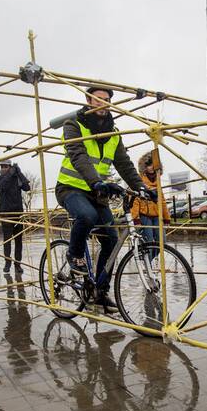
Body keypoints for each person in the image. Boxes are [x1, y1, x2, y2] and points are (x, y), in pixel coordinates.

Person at [55, 85, 152, 313]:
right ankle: (74, 254)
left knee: (111, 240)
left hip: (98, 193)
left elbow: (124, 164)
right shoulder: (73, 125)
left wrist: (141, 187)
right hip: (71, 189)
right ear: (88, 101)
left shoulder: (113, 133)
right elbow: (78, 156)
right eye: (97, 99)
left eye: (106, 99)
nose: (102, 103)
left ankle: (100, 291)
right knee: (86, 216)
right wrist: (96, 181)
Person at [0, 161, 30, 272]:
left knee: (18, 241)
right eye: (2, 167)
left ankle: (17, 264)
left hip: (18, 213)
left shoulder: (16, 178)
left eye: (6, 167)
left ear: (10, 167)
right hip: (6, 213)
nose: (3, 168)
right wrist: (10, 173)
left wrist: (19, 173)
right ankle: (7, 262)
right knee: (7, 240)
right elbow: (2, 187)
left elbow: (26, 187)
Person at [130, 152, 171, 250]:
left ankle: (150, 262)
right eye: (148, 165)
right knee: (148, 242)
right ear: (144, 167)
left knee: (162, 243)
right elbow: (135, 200)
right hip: (145, 216)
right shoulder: (139, 180)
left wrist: (166, 218)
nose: (151, 167)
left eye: (153, 164)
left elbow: (162, 200)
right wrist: (135, 218)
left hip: (157, 216)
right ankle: (148, 263)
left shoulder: (158, 180)